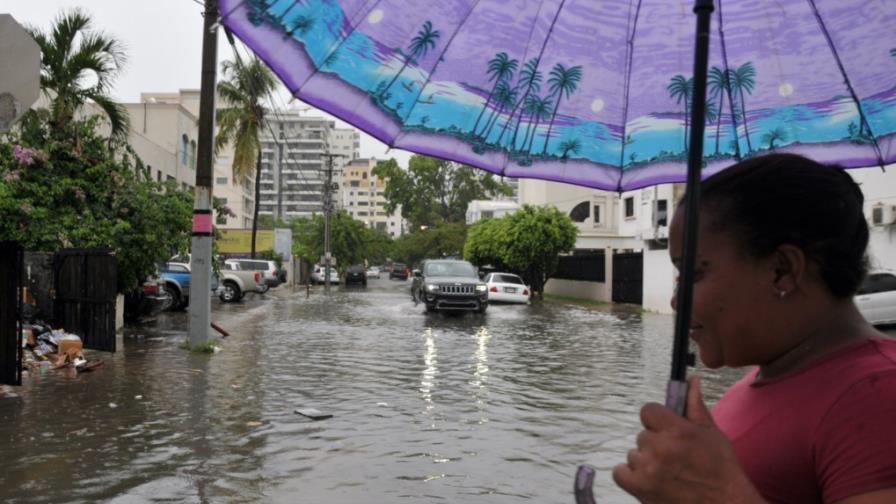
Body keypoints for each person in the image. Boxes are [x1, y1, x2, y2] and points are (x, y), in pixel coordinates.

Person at [612, 154, 896, 503]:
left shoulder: (879, 396)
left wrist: (720, 495)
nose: (676, 300)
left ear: (782, 270)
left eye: (694, 273)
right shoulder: (764, 378)